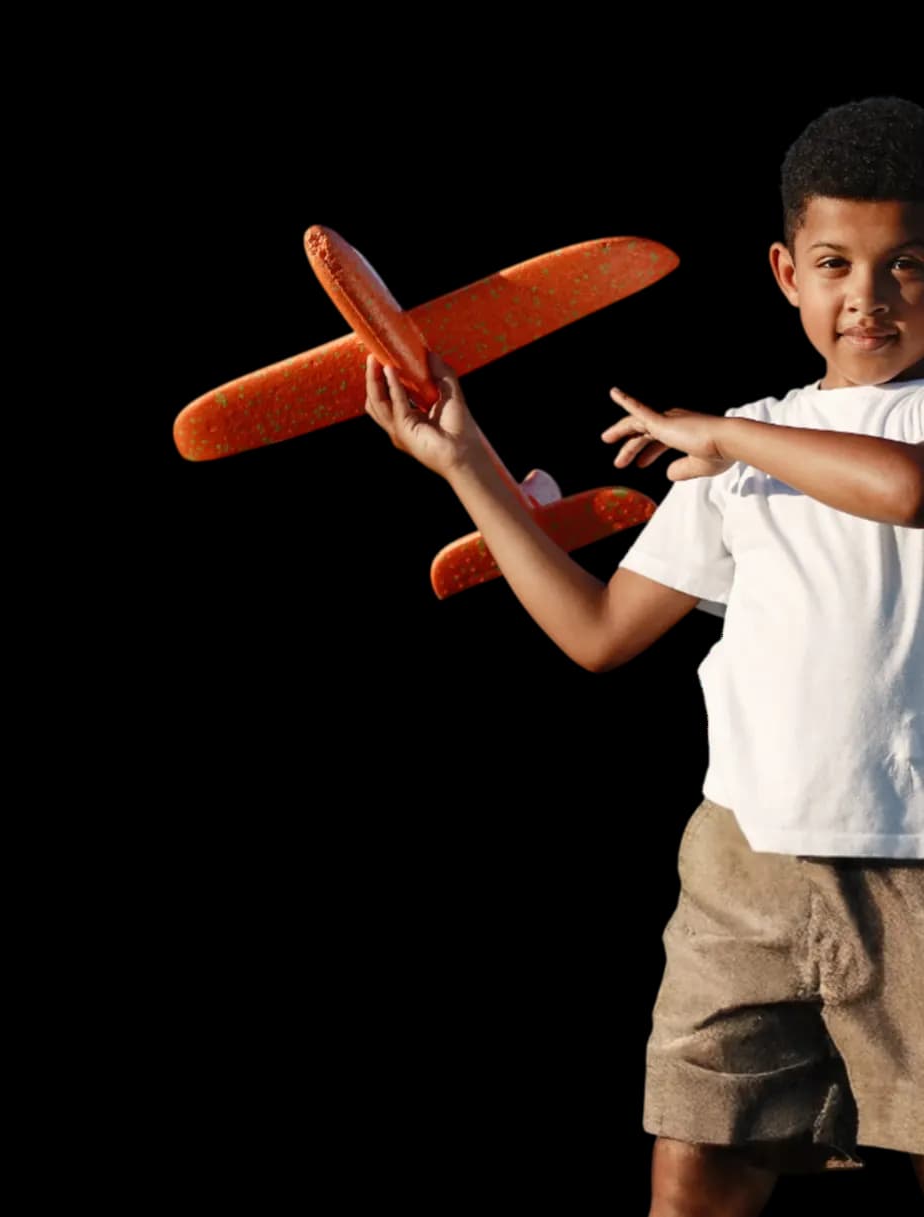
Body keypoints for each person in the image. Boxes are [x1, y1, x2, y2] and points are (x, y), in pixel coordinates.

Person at [363, 95, 923, 1214]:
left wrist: (718, 434)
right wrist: (464, 458)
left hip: (914, 864)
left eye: (907, 264)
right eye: (834, 262)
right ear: (784, 272)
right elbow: (599, 630)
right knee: (696, 1165)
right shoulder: (735, 456)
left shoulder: (744, 439)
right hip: (743, 863)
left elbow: (904, 489)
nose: (866, 296)